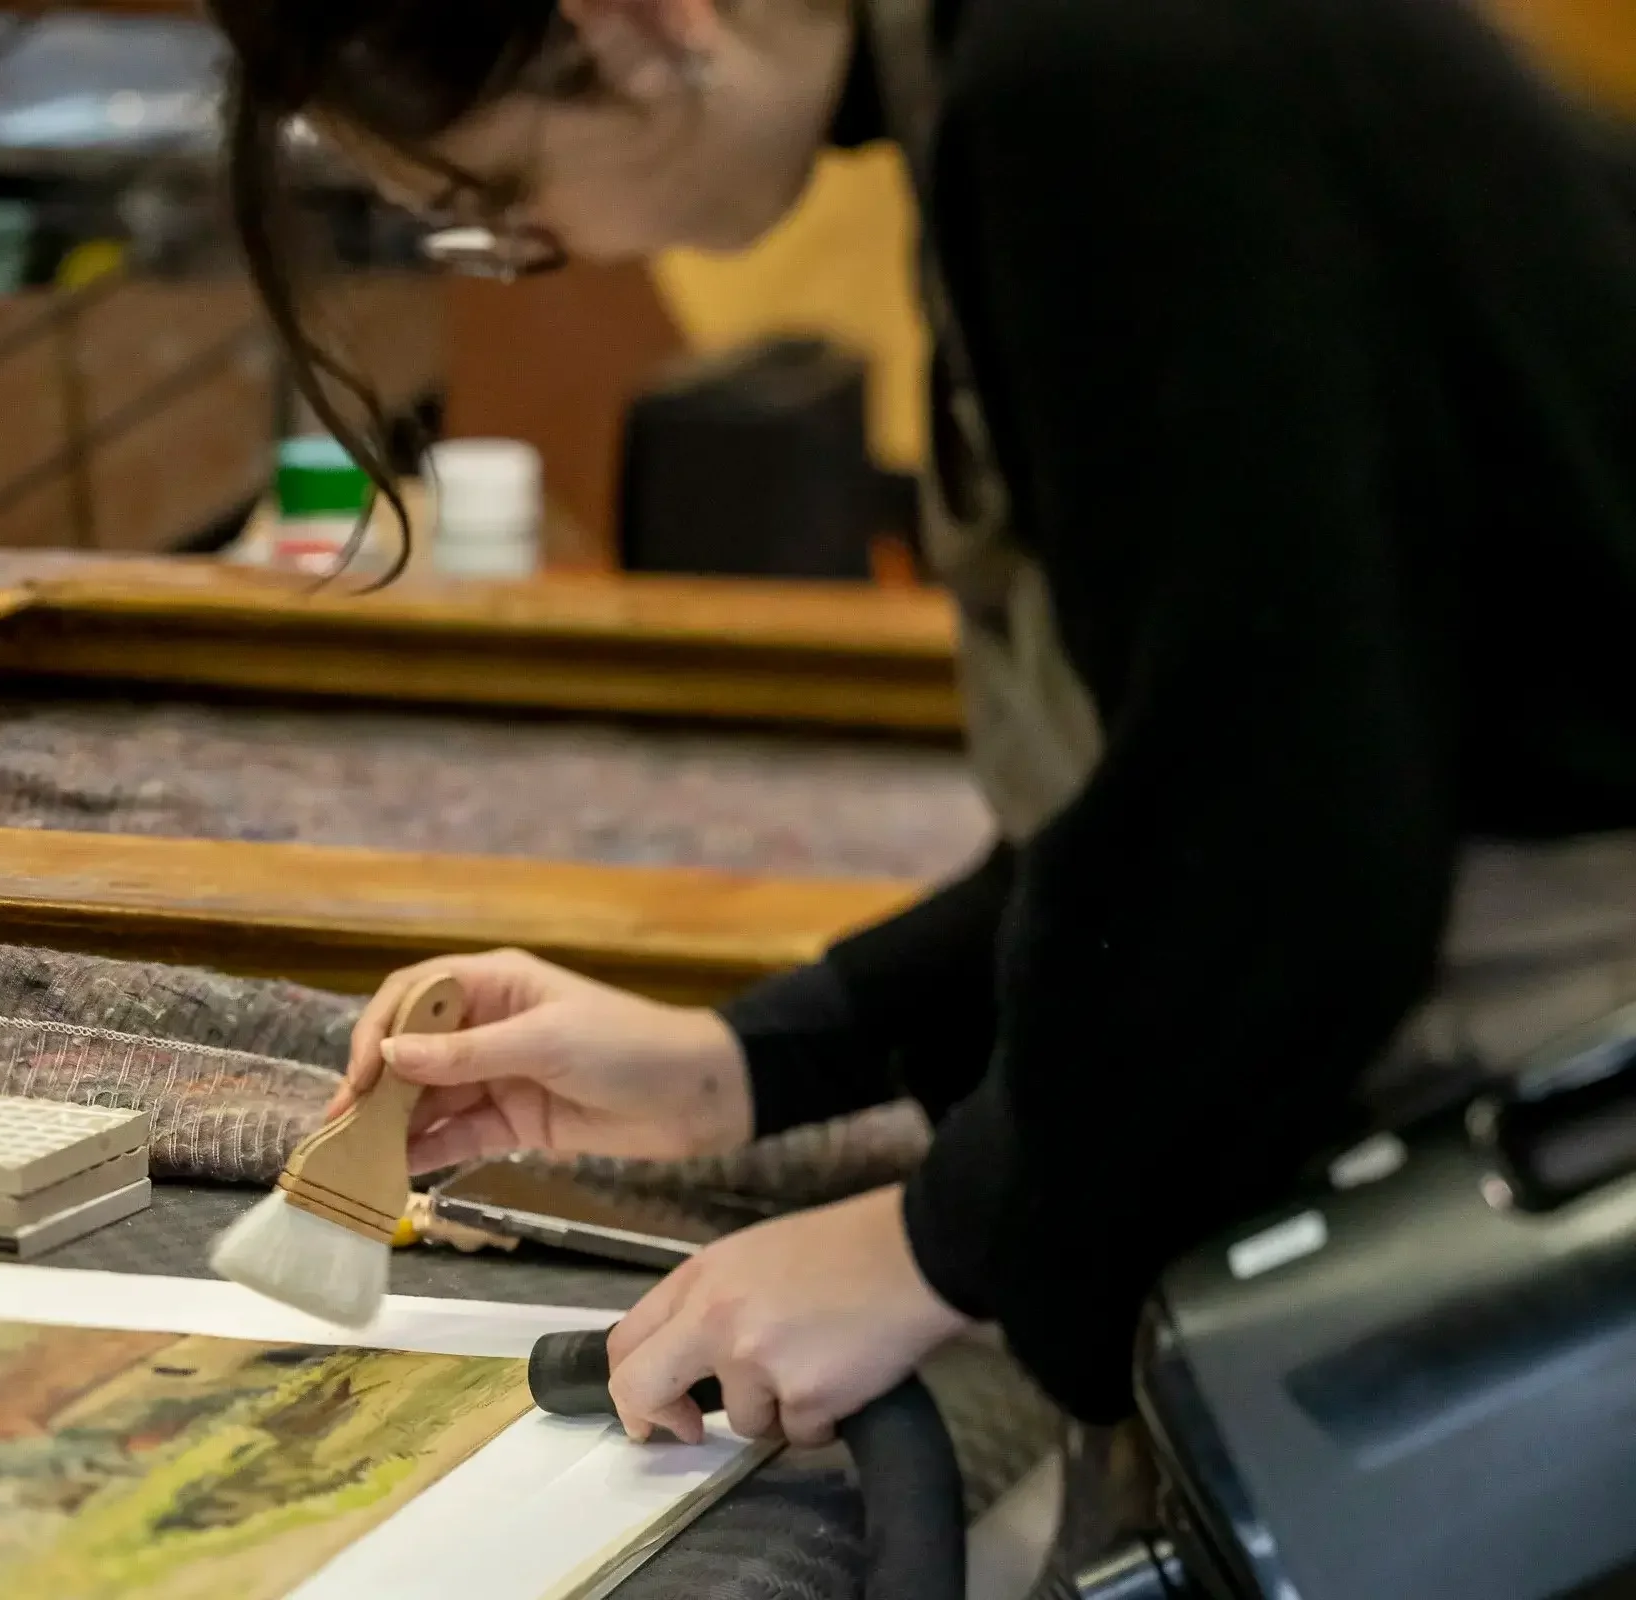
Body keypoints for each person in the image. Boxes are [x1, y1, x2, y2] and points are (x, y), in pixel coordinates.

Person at [207, 0, 1636, 1455]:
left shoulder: (1106, 77)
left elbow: (1284, 830)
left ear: (633, 22)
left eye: (508, 201)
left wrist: (930, 1247)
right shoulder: (1025, 72)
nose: (564, 250)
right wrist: (750, 1061)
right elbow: (1178, 780)